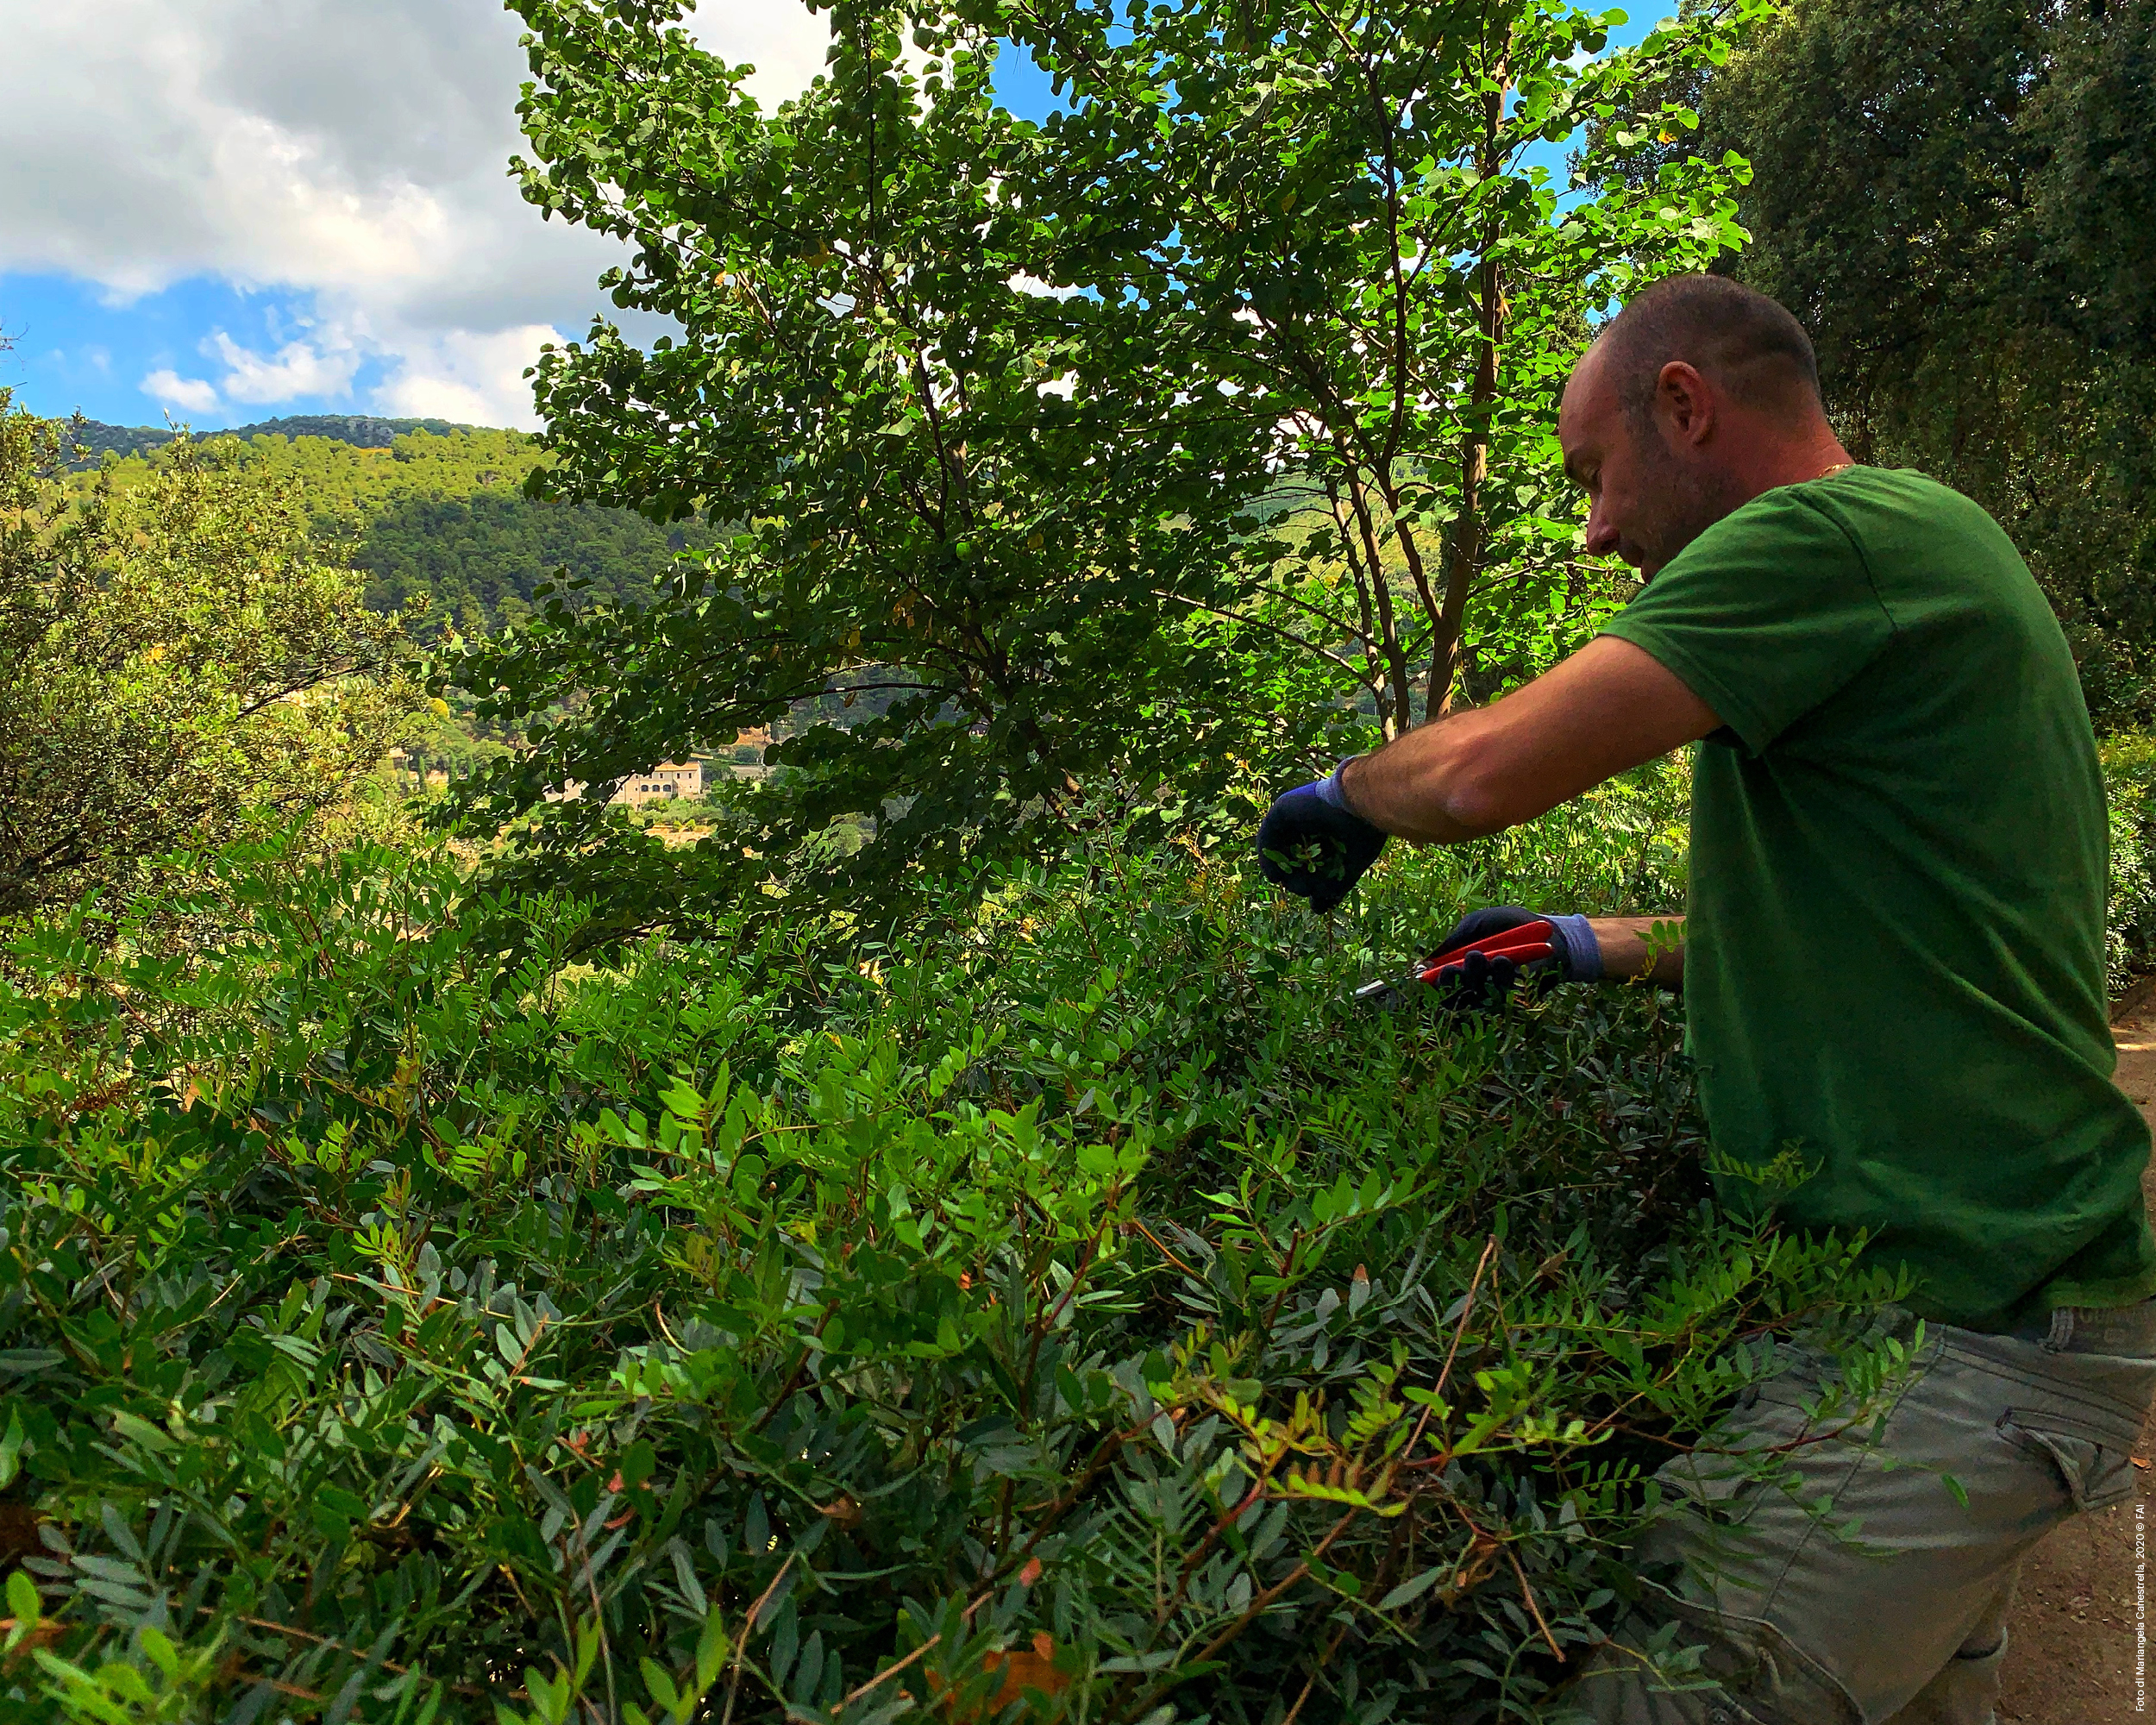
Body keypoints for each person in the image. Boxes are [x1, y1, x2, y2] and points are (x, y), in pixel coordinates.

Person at [1255, 273, 2156, 1724]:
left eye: (1593, 477)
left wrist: (1347, 791)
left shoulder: (1827, 536)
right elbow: (1900, 914)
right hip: (1972, 1309)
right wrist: (1590, 942)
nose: (1596, 528)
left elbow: (1484, 774)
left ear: (1684, 406)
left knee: (1642, 1696)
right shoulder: (1921, 543)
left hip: (1954, 1332)